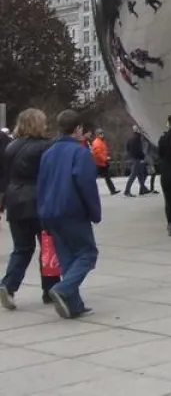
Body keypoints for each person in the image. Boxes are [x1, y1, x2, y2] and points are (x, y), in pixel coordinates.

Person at [37, 110, 102, 319]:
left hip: (51, 212)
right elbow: (86, 185)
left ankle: (73, 305)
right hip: (72, 211)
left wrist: (42, 215)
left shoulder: (48, 153)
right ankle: (63, 289)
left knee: (66, 258)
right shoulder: (80, 153)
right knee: (87, 254)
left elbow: (41, 186)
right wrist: (95, 212)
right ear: (78, 129)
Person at [0, 108, 58, 310]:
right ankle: (50, 289)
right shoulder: (46, 146)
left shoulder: (10, 147)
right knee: (48, 247)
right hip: (39, 200)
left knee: (22, 248)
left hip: (15, 201)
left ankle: (8, 285)